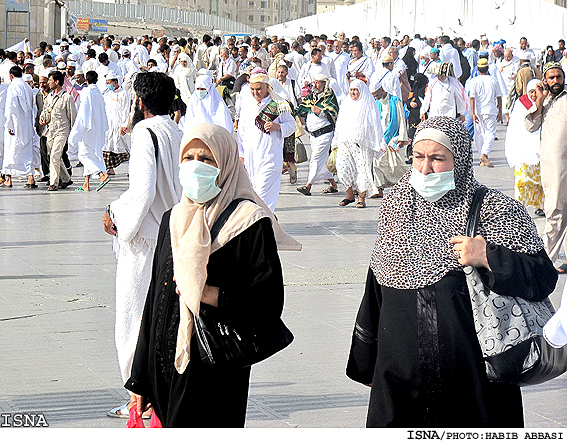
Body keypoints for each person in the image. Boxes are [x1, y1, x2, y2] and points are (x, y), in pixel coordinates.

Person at [346, 116, 558, 427]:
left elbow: (542, 277)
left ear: (458, 160)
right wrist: (366, 361)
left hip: (473, 383)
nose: (425, 169)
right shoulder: (398, 204)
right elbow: (379, 278)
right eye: (419, 157)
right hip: (401, 380)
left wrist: (488, 256)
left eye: (437, 159)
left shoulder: (496, 211)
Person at [125, 123, 300, 427]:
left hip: (216, 362)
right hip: (167, 362)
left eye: (206, 159)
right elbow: (155, 298)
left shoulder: (249, 223)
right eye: (189, 157)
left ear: (226, 164)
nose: (195, 166)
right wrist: (140, 378)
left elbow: (268, 301)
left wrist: (210, 294)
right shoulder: (173, 218)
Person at [103, 72, 183, 419]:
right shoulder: (178, 131)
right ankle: (158, 394)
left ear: (140, 103)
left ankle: (139, 397)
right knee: (164, 317)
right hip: (174, 238)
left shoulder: (144, 132)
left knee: (135, 317)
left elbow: (143, 190)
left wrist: (115, 217)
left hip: (146, 239)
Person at [526, 62, 567, 274]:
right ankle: (546, 262)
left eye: (559, 77)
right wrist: (539, 100)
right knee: (555, 211)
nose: (556, 81)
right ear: (545, 80)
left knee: (558, 212)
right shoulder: (541, 99)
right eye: (551, 78)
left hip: (563, 167)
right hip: (552, 169)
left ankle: (549, 261)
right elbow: (530, 126)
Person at [236, 71, 296, 212]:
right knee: (254, 193)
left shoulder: (279, 104)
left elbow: (292, 125)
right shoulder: (248, 105)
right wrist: (241, 153)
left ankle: (263, 221)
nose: (255, 92)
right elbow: (241, 132)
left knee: (263, 194)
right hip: (251, 158)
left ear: (267, 87)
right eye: (252, 89)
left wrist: (278, 127)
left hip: (270, 156)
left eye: (258, 89)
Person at [333, 79, 385, 208]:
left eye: (355, 90)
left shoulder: (369, 104)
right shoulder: (346, 104)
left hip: (362, 144)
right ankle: (349, 194)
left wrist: (380, 142)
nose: (353, 92)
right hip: (345, 142)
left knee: (363, 171)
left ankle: (361, 198)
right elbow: (339, 123)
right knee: (342, 168)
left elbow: (376, 125)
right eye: (351, 90)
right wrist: (335, 140)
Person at [295, 73, 339, 196]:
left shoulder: (329, 97)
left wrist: (320, 112)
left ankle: (308, 185)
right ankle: (333, 185)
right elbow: (302, 108)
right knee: (323, 160)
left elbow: (334, 112)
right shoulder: (311, 97)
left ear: (324, 84)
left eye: (318, 82)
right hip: (313, 136)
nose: (315, 85)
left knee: (315, 158)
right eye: (314, 82)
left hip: (325, 134)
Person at [504, 79, 544, 217]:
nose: (533, 95)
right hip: (523, 149)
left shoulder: (544, 102)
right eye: (531, 92)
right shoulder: (522, 103)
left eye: (536, 92)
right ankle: (520, 207)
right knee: (522, 181)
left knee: (540, 181)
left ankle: (541, 206)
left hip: (539, 147)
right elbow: (515, 126)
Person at [68, 71, 110, 192]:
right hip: (98, 128)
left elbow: (83, 111)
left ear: (86, 79)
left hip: (88, 128)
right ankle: (86, 184)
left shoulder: (87, 92)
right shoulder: (98, 92)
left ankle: (102, 174)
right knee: (93, 154)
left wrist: (78, 129)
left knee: (83, 155)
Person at [40, 70, 76, 191]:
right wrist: (42, 118)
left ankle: (53, 182)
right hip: (50, 130)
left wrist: (72, 134)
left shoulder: (67, 98)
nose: (48, 83)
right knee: (53, 156)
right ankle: (66, 179)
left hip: (62, 131)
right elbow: (45, 111)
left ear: (57, 82)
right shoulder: (49, 97)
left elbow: (72, 117)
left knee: (55, 155)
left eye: (50, 80)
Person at [1, 65, 36, 188]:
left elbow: (10, 108)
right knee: (26, 152)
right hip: (26, 125)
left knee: (10, 151)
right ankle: (30, 177)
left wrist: (10, 126)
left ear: (11, 76)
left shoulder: (12, 87)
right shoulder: (28, 87)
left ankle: (9, 179)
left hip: (14, 126)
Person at [469, 59, 502, 168]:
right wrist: (500, 111)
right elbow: (499, 97)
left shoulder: (473, 81)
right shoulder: (493, 80)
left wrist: (472, 113)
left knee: (479, 135)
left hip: (478, 111)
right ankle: (484, 154)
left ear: (478, 69)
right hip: (490, 110)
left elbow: (472, 98)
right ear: (487, 69)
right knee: (490, 134)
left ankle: (482, 156)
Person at [103, 74, 131, 175]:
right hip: (109, 124)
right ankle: (109, 169)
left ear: (115, 82)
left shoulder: (123, 94)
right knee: (108, 146)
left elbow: (125, 110)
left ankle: (131, 169)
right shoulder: (106, 94)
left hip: (120, 124)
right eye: (107, 83)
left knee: (126, 147)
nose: (108, 85)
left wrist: (124, 125)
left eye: (109, 83)